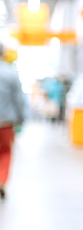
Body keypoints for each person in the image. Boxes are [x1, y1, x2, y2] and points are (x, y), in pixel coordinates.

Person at [0, 43, 25, 199]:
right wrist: (20, 119)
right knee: (5, 151)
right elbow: (19, 100)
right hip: (6, 122)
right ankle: (1, 181)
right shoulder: (11, 74)